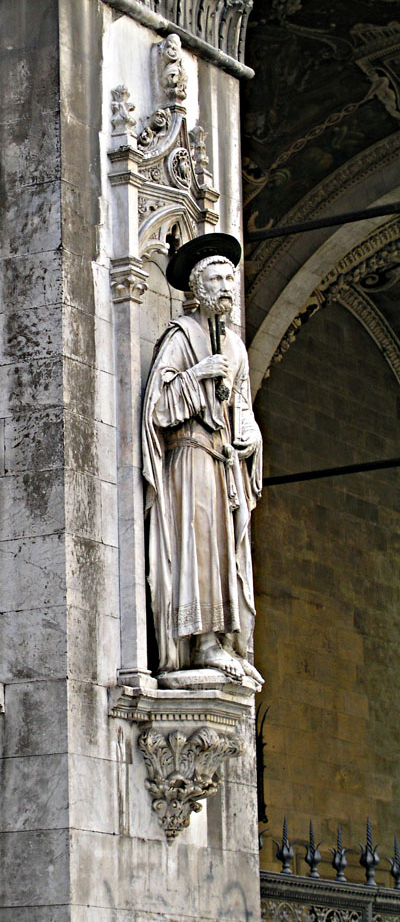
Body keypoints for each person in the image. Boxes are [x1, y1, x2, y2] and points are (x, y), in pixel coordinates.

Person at [141, 233, 263, 684]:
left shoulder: (235, 346)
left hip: (222, 462)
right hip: (189, 461)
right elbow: (158, 408)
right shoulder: (182, 335)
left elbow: (242, 409)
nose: (227, 287)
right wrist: (197, 375)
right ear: (198, 287)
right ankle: (201, 644)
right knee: (199, 547)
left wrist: (250, 436)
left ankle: (224, 641)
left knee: (225, 551)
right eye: (217, 279)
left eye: (230, 279)